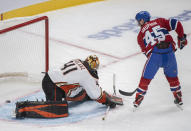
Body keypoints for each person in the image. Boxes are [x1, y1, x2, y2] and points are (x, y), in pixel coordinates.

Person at [133, 11, 188, 108]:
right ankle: (178, 96)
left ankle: (138, 98)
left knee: (145, 79)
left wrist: (156, 60)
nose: (138, 23)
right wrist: (181, 37)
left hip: (155, 55)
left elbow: (146, 52)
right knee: (173, 78)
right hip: (170, 53)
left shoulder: (139, 36)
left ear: (142, 20)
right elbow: (176, 23)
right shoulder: (159, 21)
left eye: (139, 21)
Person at [42, 55, 122, 109]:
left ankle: (86, 94)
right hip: (52, 86)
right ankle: (30, 108)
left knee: (80, 87)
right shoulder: (87, 75)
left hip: (52, 81)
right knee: (56, 109)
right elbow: (96, 95)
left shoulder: (78, 61)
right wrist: (106, 101)